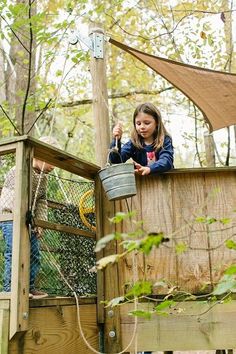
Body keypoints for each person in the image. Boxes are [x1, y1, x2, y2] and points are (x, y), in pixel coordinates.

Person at [0, 136, 59, 299]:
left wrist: (39, 224)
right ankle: (10, 288)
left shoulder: (43, 178)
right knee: (15, 251)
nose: (54, 167)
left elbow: (41, 201)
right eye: (52, 161)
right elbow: (10, 197)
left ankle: (29, 287)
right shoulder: (18, 169)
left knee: (33, 253)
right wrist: (21, 215)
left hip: (28, 220)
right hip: (11, 217)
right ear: (40, 155)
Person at [110, 102, 174, 175]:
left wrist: (150, 169)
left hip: (165, 183)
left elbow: (166, 161)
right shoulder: (133, 143)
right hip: (143, 184)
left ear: (157, 123)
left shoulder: (165, 140)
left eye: (147, 123)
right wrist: (116, 140)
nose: (142, 127)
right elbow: (116, 161)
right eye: (138, 123)